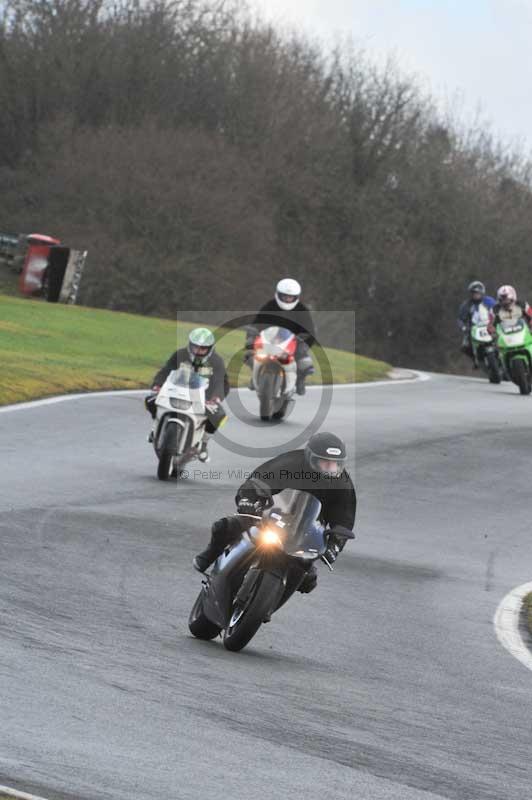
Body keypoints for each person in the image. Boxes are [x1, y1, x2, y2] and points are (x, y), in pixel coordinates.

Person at [192, 432, 357, 593]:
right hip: (273, 514)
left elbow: (344, 518)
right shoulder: (290, 463)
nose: (330, 468)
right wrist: (248, 500)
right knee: (226, 526)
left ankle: (270, 603)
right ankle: (210, 555)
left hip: (308, 530)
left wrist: (335, 544)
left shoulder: (342, 483)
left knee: (308, 579)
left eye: (335, 464)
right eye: (325, 462)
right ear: (310, 458)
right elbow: (258, 479)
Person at [145, 328, 229, 462]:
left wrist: (215, 398)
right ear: (190, 344)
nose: (198, 351)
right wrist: (157, 385)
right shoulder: (180, 354)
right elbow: (166, 371)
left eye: (203, 349)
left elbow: (220, 382)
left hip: (205, 396)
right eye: (195, 347)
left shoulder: (216, 361)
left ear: (210, 348)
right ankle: (156, 427)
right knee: (150, 400)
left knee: (219, 415)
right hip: (178, 390)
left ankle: (204, 444)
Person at [245, 278, 316, 395]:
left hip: (293, 342)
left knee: (304, 363)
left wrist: (303, 341)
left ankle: (299, 381)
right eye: (285, 296)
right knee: (251, 355)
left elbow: (310, 331)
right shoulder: (270, 306)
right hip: (270, 340)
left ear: (296, 297)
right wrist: (252, 335)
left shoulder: (302, 310)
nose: (288, 299)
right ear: (278, 294)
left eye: (291, 297)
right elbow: (257, 323)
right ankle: (255, 376)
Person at [458, 281, 496, 361]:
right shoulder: (466, 305)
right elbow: (460, 319)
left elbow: (497, 310)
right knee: (465, 346)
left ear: (482, 292)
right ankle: (476, 359)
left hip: (490, 325)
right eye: (474, 293)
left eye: (478, 292)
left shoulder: (489, 301)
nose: (476, 295)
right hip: (474, 328)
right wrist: (464, 327)